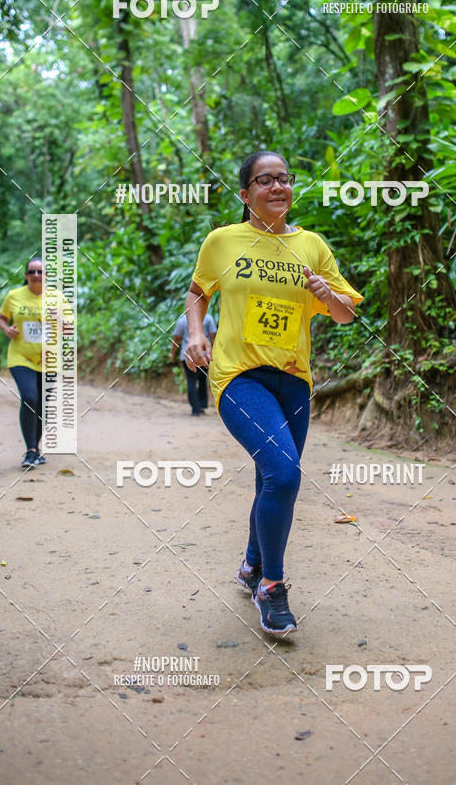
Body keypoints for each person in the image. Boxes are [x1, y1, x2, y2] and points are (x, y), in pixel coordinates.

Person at [183, 151, 363, 635]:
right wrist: (195, 334)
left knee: (271, 476)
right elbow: (199, 291)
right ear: (245, 194)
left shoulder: (312, 246)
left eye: (285, 179)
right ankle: (271, 586)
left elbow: (347, 313)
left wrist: (328, 296)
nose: (278, 187)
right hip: (239, 376)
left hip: (294, 379)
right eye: (266, 180)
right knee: (285, 473)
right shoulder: (223, 241)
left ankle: (249, 563)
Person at [0, 258, 46, 469]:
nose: (36, 275)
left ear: (46, 276)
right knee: (30, 398)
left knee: (43, 405)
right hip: (20, 357)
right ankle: (31, 451)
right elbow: (1, 318)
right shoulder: (13, 296)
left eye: (40, 272)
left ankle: (37, 448)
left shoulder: (57, 298)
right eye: (32, 272)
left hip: (48, 360)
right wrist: (7, 329)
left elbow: (68, 324)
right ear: (25, 275)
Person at [170, 311, 216, 415]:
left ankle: (195, 409)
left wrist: (172, 354)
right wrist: (216, 354)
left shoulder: (182, 320)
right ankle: (202, 406)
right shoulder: (208, 318)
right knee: (202, 379)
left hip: (187, 356)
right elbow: (213, 337)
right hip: (204, 355)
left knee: (191, 380)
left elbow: (176, 339)